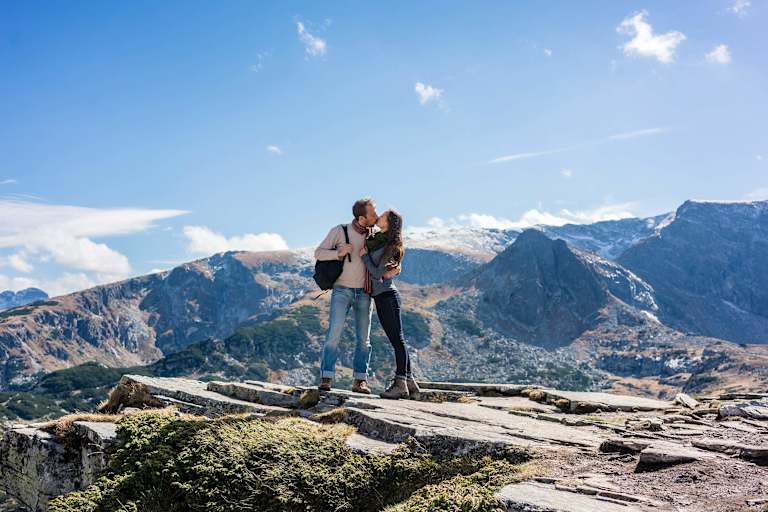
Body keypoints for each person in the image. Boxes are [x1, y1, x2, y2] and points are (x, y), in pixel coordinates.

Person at [314, 198, 398, 393]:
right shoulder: (340, 231)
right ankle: (326, 376)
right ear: (362, 217)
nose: (377, 216)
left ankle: (360, 380)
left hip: (365, 293)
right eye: (373, 213)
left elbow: (389, 253)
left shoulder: (375, 235)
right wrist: (339, 253)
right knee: (334, 334)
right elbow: (318, 253)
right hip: (341, 290)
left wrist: (397, 264)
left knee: (364, 339)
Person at [360, 209, 420, 399]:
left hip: (387, 296)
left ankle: (400, 383)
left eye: (383, 215)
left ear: (390, 222)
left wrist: (364, 257)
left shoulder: (392, 246)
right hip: (382, 296)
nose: (379, 217)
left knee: (397, 340)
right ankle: (409, 381)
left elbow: (378, 274)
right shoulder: (381, 240)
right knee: (397, 340)